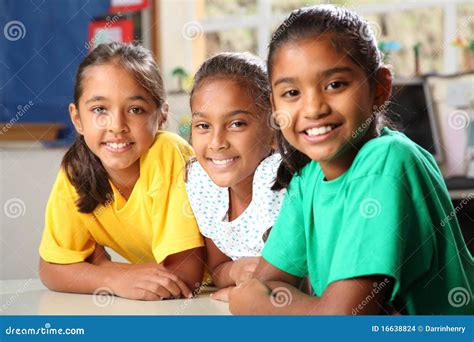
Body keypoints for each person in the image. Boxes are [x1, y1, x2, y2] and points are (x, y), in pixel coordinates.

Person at [229, 5, 474, 315]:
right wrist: (300, 304)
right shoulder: (308, 180)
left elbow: (340, 320)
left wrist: (266, 304)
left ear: (380, 88)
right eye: (291, 92)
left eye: (335, 85)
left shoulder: (388, 161)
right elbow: (265, 283)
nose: (314, 108)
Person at [39, 42, 204, 301]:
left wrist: (100, 265)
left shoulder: (167, 152)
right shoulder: (76, 170)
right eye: (99, 109)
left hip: (227, 285)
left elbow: (186, 275)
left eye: (135, 110)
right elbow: (51, 268)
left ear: (161, 115)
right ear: (77, 118)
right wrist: (113, 277)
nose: (117, 126)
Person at [185, 52, 286, 298]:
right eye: (203, 126)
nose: (217, 142)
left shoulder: (276, 179)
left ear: (274, 131)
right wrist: (236, 271)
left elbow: (286, 282)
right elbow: (218, 268)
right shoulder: (202, 182)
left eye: (236, 124)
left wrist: (236, 294)